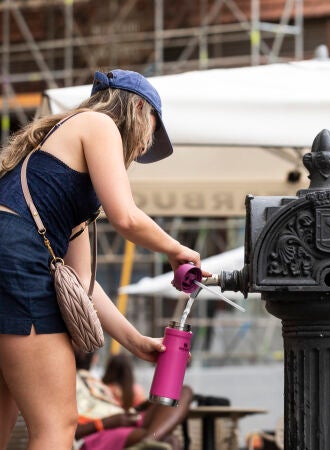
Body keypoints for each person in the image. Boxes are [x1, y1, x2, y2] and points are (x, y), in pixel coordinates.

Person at [0, 69, 206, 449]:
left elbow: (82, 281)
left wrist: (134, 341)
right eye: (152, 130)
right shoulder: (99, 123)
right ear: (139, 109)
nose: (144, 146)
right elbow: (125, 216)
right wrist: (176, 249)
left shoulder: (55, 169)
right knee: (57, 426)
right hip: (17, 260)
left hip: (10, 254)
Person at [74, 350, 193, 450]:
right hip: (100, 431)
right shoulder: (67, 384)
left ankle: (149, 441)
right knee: (169, 440)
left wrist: (151, 402)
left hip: (125, 419)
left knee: (183, 391)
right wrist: (107, 422)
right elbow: (65, 429)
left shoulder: (97, 383)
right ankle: (150, 441)